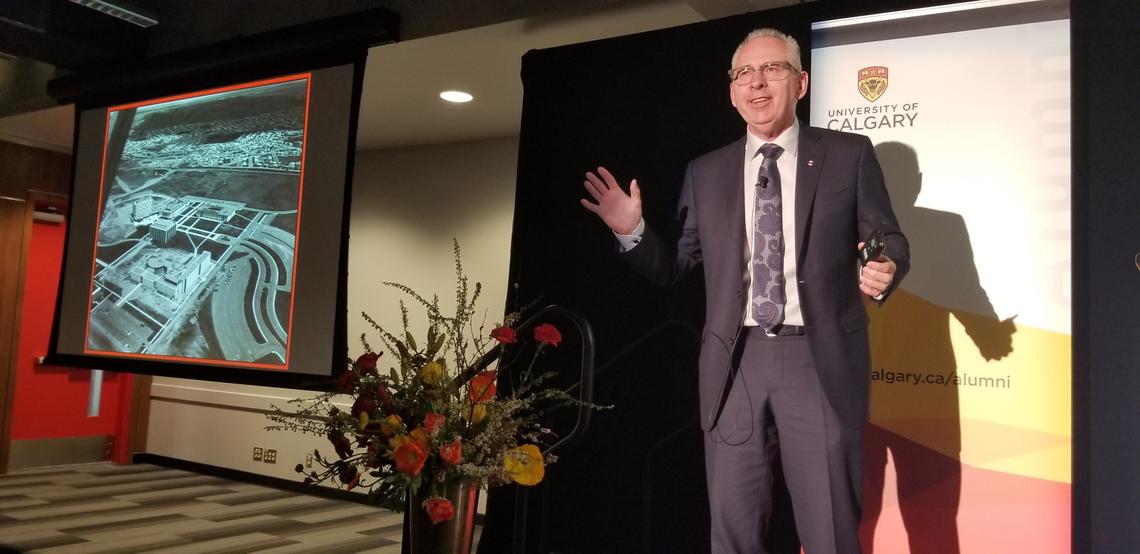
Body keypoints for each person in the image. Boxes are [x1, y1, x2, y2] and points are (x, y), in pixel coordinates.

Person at [580, 28, 909, 554]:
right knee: (732, 531)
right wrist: (632, 232)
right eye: (743, 74)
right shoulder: (706, 171)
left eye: (772, 69)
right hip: (735, 363)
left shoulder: (848, 154)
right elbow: (674, 267)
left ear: (800, 83)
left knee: (830, 532)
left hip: (818, 361)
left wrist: (886, 262)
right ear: (731, 92)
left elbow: (885, 235)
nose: (757, 83)